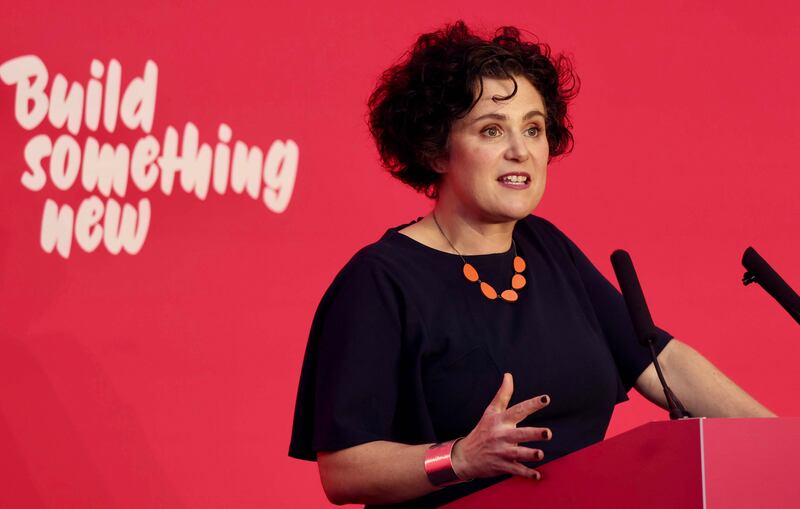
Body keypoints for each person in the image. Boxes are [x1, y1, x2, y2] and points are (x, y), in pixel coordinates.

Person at [288, 21, 774, 508]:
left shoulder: (546, 249)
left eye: (534, 128)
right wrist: (457, 458)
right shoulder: (380, 281)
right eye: (492, 130)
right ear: (436, 149)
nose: (520, 150)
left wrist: (779, 446)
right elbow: (343, 471)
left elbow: (662, 360)